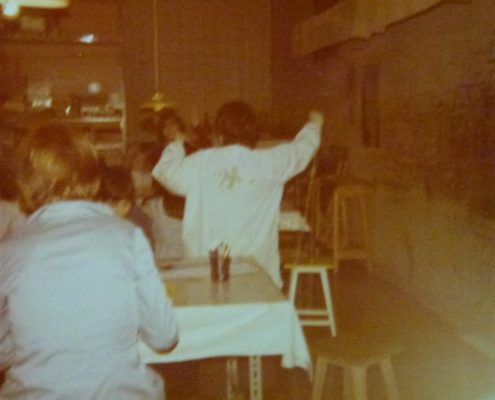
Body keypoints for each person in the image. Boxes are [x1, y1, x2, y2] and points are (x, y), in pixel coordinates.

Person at [0, 126, 178, 399]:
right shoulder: (127, 236)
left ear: (25, 180)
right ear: (92, 175)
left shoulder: (9, 251)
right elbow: (164, 337)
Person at [152, 100, 323, 288]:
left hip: (206, 272)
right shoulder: (268, 163)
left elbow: (164, 172)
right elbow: (301, 150)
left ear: (218, 135)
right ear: (254, 134)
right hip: (256, 276)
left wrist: (176, 143)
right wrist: (314, 125)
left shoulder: (200, 163)